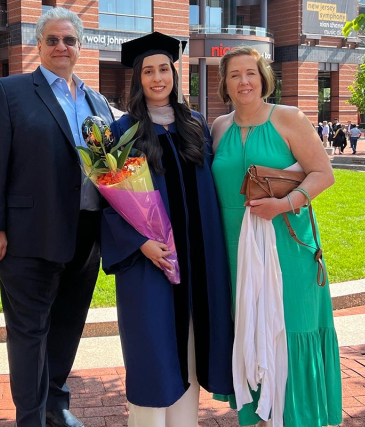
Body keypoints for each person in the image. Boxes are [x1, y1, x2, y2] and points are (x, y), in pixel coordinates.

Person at [0, 8, 114, 427]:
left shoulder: (96, 100)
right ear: (38, 44)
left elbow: (109, 166)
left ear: (80, 46)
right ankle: (30, 418)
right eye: (52, 40)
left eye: (69, 40)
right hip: (28, 236)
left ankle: (56, 405)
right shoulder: (8, 91)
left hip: (86, 234)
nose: (61, 47)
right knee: (30, 333)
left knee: (68, 327)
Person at [100, 32, 234, 427]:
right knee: (153, 352)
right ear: (137, 79)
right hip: (150, 263)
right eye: (148, 71)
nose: (158, 78)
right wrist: (140, 243)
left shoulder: (195, 125)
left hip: (199, 259)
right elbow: (107, 203)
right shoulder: (123, 131)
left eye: (164, 69)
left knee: (191, 350)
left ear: (174, 74)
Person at [209, 46, 342, 426]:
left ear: (263, 76)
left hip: (287, 245)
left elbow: (323, 174)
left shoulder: (289, 118)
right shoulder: (219, 127)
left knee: (291, 326)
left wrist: (284, 205)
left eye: (251, 72)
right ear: (225, 83)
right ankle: (259, 414)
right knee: (251, 330)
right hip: (238, 250)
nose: (244, 81)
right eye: (235, 75)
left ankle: (297, 417)